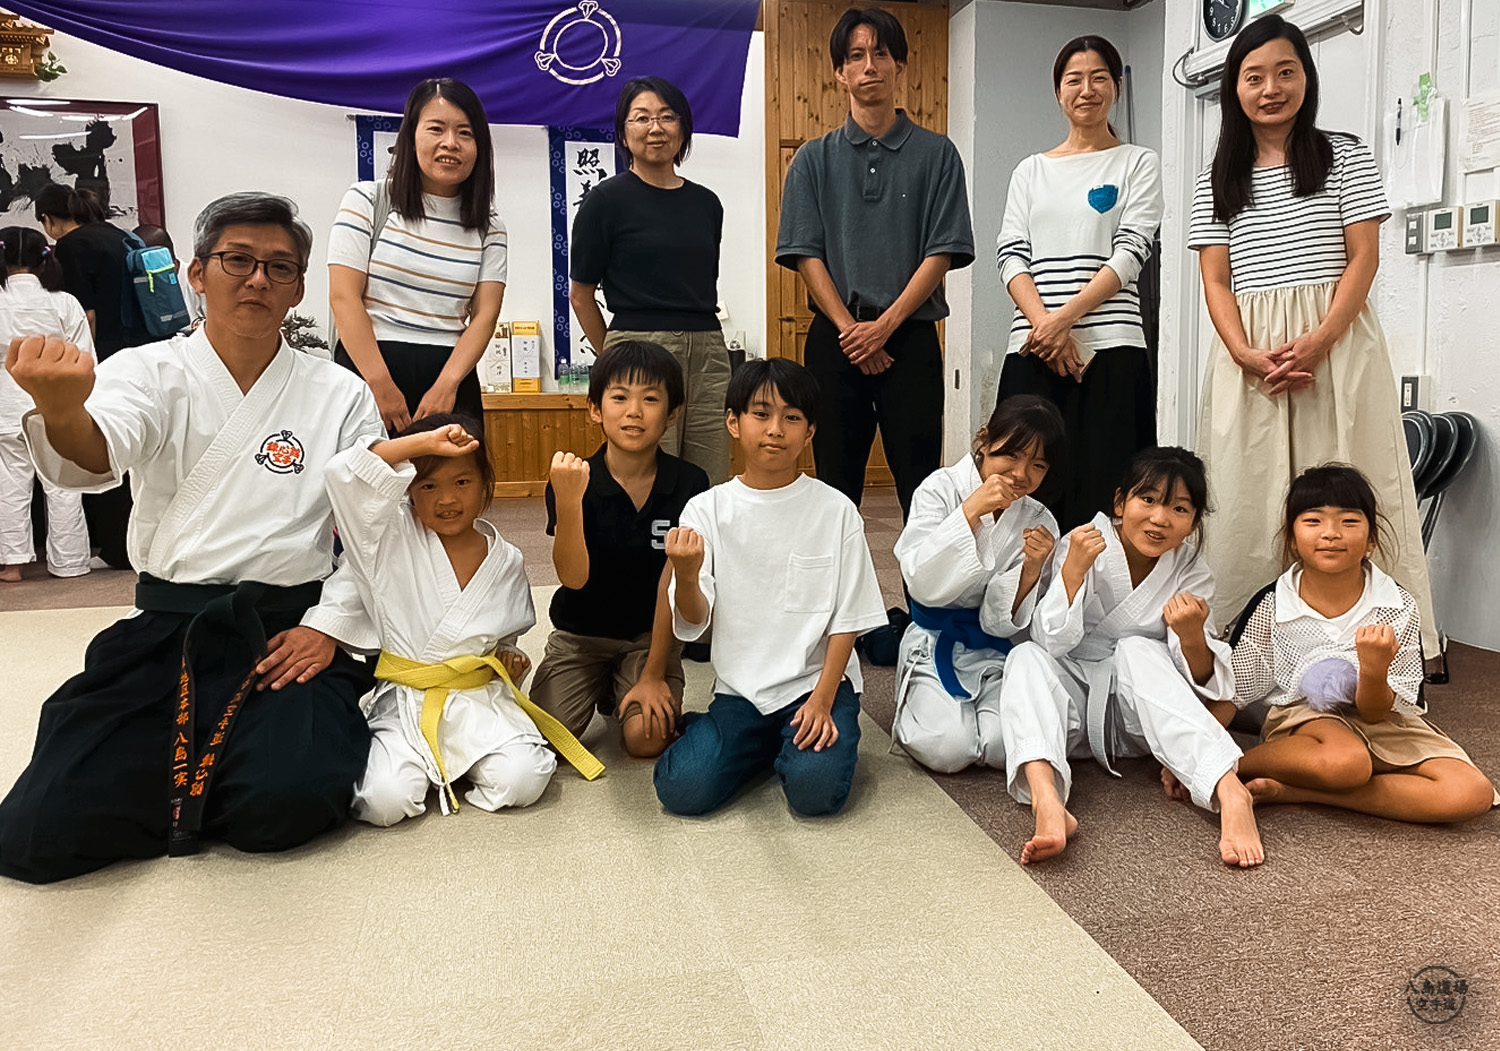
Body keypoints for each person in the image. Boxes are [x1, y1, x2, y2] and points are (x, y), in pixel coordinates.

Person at [0, 192, 383, 884]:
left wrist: (327, 627)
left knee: (285, 807)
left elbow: (372, 529)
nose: (258, 279)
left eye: (280, 266)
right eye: (238, 260)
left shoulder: (341, 394)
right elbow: (96, 453)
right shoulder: (146, 371)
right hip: (169, 628)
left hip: (285, 631)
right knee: (37, 832)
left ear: (298, 288)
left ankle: (218, 772)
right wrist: (61, 410)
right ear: (197, 274)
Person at [1189, 15, 1436, 657]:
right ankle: (1245, 650)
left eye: (1285, 72)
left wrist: (1321, 338)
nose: (1271, 88)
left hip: (1338, 346)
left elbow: (1364, 258)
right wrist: (1244, 352)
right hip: (1251, 355)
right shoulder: (1216, 176)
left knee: (1350, 483)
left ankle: (1378, 648)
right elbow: (1215, 279)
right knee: (1248, 491)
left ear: (1307, 77)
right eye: (1254, 77)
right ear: (1234, 88)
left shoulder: (1345, 155)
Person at [306, 415, 600, 826]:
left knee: (524, 779)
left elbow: (503, 633)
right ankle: (432, 766)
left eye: (462, 482)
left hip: (477, 701)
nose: (447, 499)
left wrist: (508, 658)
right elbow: (343, 473)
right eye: (428, 486)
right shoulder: (386, 538)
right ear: (408, 489)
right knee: (383, 801)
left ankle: (456, 765)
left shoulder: (506, 559)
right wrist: (421, 443)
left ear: (485, 485)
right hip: (409, 700)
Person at [997, 447, 1262, 868]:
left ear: (1194, 522)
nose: (1160, 518)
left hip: (1142, 721)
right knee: (1026, 656)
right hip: (1073, 716)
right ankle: (1047, 801)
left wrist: (1192, 635)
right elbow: (1052, 644)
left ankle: (1229, 789)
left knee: (1137, 649)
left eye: (1179, 508)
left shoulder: (1190, 570)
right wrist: (1073, 571)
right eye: (1148, 500)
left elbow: (1206, 683)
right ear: (1121, 502)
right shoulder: (1082, 542)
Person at [653, 357, 886, 816]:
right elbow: (694, 621)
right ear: (733, 423)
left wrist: (823, 700)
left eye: (792, 417)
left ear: (810, 432)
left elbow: (850, 618)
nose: (775, 429)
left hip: (816, 684)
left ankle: (778, 746)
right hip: (741, 691)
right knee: (682, 790)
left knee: (815, 793)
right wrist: (686, 573)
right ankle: (758, 741)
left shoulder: (836, 510)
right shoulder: (706, 510)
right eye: (761, 414)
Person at [775, 6, 974, 520]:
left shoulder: (938, 155)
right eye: (856, 55)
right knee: (833, 490)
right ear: (839, 71)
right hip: (835, 340)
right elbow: (805, 253)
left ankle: (922, 579)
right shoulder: (812, 159)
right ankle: (837, 581)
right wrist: (851, 331)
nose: (869, 65)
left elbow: (942, 251)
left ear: (899, 65)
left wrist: (883, 328)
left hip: (910, 338)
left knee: (922, 489)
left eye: (881, 54)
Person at [1223, 464, 1496, 822]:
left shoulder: (1397, 604)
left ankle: (1299, 791)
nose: (1331, 533)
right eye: (1313, 521)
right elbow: (1233, 691)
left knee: (1471, 793)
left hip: (1382, 721)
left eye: (1349, 521)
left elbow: (1376, 713)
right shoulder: (1273, 603)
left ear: (1371, 540)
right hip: (1309, 722)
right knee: (1346, 763)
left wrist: (1373, 669)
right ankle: (1236, 767)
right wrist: (1206, 763)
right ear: (1291, 537)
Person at [995, 36, 1163, 531]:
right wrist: (1045, 326)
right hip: (1033, 349)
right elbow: (1010, 255)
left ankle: (1101, 584)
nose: (1086, 89)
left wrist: (1064, 320)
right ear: (1058, 92)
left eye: (1098, 78)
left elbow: (1131, 252)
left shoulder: (1137, 162)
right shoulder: (1030, 171)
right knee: (1022, 486)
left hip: (1111, 351)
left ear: (1116, 88)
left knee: (1107, 487)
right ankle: (1021, 581)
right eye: (1074, 79)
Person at [529, 341, 710, 758]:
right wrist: (569, 501)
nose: (634, 411)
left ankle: (623, 685)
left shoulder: (690, 483)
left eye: (651, 399)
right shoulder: (573, 478)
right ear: (595, 409)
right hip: (581, 634)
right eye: (619, 397)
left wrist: (654, 673)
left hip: (650, 638)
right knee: (547, 742)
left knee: (647, 740)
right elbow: (573, 578)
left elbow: (673, 588)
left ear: (672, 414)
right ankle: (603, 683)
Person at [569, 78, 730, 484]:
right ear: (624, 133)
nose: (655, 127)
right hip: (640, 342)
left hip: (708, 350)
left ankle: (702, 532)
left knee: (708, 473)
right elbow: (581, 295)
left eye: (667, 117)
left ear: (683, 128)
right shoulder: (605, 201)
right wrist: (616, 357)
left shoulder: (707, 203)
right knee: (649, 472)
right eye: (641, 118)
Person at [891, 394, 1063, 773]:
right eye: (1012, 455)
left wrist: (1032, 570)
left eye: (1037, 465)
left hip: (992, 645)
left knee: (1002, 744)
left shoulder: (1039, 519)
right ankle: (917, 696)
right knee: (949, 747)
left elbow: (1001, 623)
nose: (1021, 474)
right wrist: (970, 510)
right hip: (934, 638)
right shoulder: (940, 489)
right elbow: (921, 582)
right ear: (984, 440)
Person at [329, 77, 505, 434]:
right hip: (368, 372)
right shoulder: (367, 200)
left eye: (465, 133)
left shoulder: (490, 226)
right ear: (411, 136)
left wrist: (447, 385)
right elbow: (344, 297)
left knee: (453, 474)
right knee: (363, 471)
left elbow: (485, 315)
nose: (450, 143)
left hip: (450, 381)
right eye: (436, 129)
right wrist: (380, 385)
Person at [35, 183, 151, 568]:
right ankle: (135, 543)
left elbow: (85, 315)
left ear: (48, 220)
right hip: (141, 352)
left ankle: (114, 547)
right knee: (138, 453)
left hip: (106, 357)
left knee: (104, 450)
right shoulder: (120, 235)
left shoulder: (71, 246)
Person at [0, 226, 93, 582]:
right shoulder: (64, 302)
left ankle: (12, 564)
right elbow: (85, 359)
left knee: (10, 484)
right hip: (55, 400)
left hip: (6, 403)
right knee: (63, 484)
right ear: (44, 260)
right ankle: (70, 562)